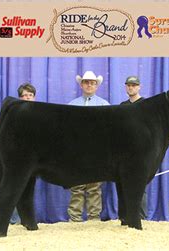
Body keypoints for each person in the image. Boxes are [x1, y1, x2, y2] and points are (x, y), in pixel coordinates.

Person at [67, 71, 110, 222]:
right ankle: (75, 218)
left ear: (96, 85)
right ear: (81, 85)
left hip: (97, 151)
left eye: (92, 82)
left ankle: (93, 218)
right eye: (86, 82)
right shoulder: (72, 105)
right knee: (76, 186)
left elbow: (109, 130)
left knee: (94, 187)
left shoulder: (104, 105)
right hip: (77, 151)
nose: (89, 85)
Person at [9, 83, 37, 225]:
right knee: (15, 187)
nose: (27, 98)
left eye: (30, 95)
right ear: (19, 98)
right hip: (18, 157)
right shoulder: (14, 114)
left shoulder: (39, 114)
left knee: (29, 189)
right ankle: (14, 219)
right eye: (24, 95)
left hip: (35, 158)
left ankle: (27, 220)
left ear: (34, 97)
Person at [120, 76, 147, 220]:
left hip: (141, 151)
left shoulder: (145, 105)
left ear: (139, 87)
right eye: (129, 85)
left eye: (134, 85)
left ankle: (140, 217)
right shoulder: (122, 106)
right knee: (124, 184)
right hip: (124, 151)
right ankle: (125, 218)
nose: (131, 87)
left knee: (140, 184)